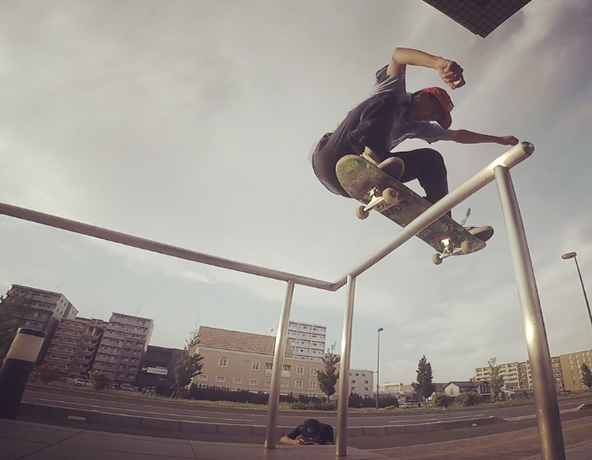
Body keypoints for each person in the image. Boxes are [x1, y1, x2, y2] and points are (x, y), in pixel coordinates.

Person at [310, 47, 519, 241]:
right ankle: (370, 159)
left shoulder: (419, 128)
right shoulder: (395, 89)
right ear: (423, 96)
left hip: (347, 184)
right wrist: (438, 62)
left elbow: (458, 135)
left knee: (432, 159)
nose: (430, 118)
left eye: (436, 117)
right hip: (331, 156)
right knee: (388, 98)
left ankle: (442, 220)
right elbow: (398, 56)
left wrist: (497, 140)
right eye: (434, 110)